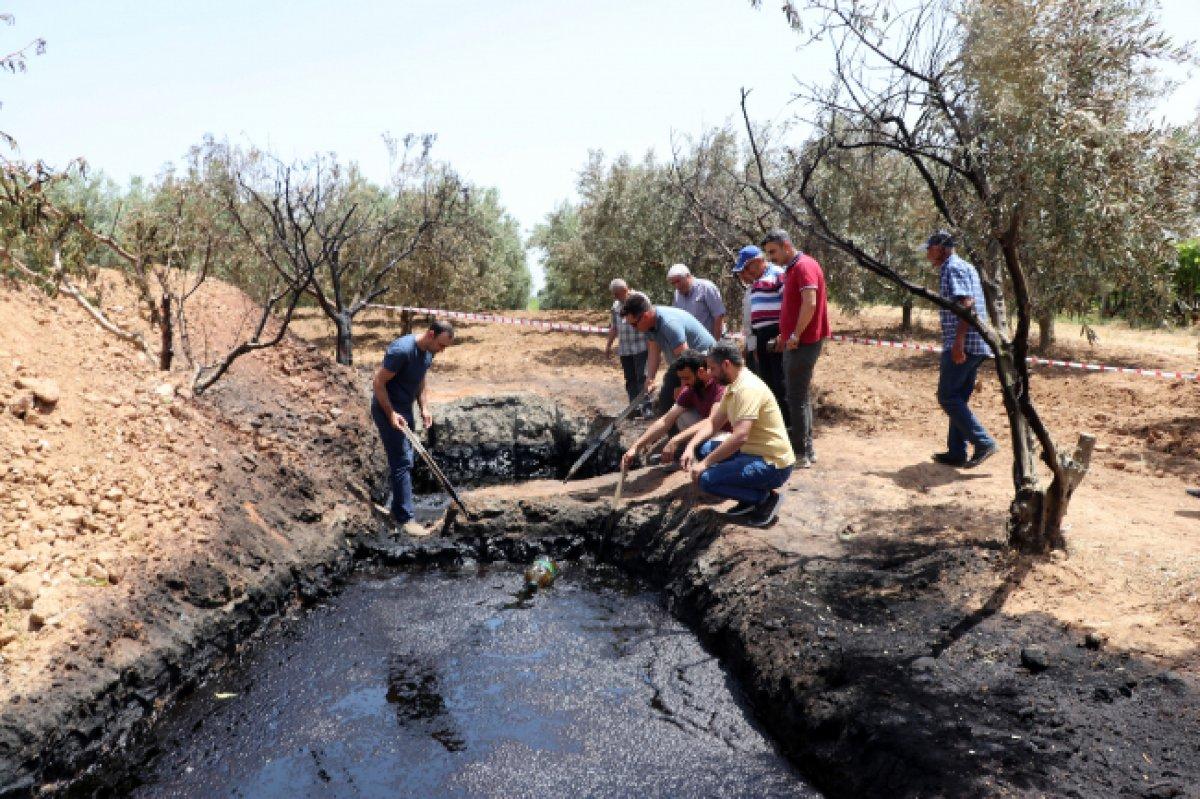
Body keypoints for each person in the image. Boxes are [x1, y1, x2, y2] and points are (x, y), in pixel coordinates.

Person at [680, 341, 795, 528]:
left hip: (772, 464)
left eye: (713, 368)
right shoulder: (733, 385)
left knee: (706, 479)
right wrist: (690, 447)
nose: (710, 374)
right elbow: (713, 422)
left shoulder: (746, 389)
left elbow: (740, 435)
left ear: (726, 364)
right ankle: (748, 497)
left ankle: (764, 498)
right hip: (751, 452)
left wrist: (705, 464)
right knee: (703, 448)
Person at [371, 320, 455, 536]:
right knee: (402, 460)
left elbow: (420, 380)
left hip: (406, 410)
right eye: (441, 345)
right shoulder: (402, 350)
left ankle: (398, 508)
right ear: (430, 334)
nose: (442, 351)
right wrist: (390, 414)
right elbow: (378, 383)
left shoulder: (429, 352)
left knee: (407, 460)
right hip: (387, 408)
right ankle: (406, 519)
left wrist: (424, 408)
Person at [925, 230, 999, 468]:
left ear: (941, 248)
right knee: (958, 398)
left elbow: (966, 304)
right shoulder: (962, 266)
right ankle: (956, 452)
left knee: (947, 396)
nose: (927, 254)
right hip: (975, 344)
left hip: (964, 345)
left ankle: (984, 442)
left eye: (930, 248)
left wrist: (958, 343)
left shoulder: (953, 268)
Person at [762, 229, 830, 469]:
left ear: (786, 246)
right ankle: (806, 449)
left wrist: (795, 334)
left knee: (795, 397)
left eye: (773, 252)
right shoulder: (793, 268)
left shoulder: (803, 267)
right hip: (796, 340)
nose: (770, 257)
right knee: (799, 396)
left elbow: (810, 303)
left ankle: (801, 453)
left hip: (803, 342)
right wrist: (787, 332)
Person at [621, 350, 730, 469]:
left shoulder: (720, 385)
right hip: (710, 431)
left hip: (729, 434)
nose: (683, 384)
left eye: (686, 378)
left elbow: (712, 421)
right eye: (681, 379)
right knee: (681, 416)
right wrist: (635, 447)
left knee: (708, 451)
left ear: (701, 372)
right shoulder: (691, 388)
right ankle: (691, 454)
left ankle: (700, 457)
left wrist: (675, 440)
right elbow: (665, 420)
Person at [621, 292, 717, 418]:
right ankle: (674, 434)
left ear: (644, 316)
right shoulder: (648, 325)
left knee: (688, 401)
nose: (634, 328)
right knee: (666, 402)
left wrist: (684, 387)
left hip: (704, 361)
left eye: (634, 324)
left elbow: (686, 360)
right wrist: (650, 377)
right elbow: (653, 351)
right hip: (681, 361)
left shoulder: (669, 324)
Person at [733, 245, 788, 423]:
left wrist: (784, 332)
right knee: (768, 383)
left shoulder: (777, 273)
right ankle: (775, 423)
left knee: (781, 383)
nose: (746, 272)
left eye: (747, 267)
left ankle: (789, 425)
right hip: (761, 336)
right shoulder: (757, 281)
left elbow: (788, 303)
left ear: (758, 261)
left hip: (776, 333)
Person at [604, 278, 650, 411]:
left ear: (625, 290)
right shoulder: (616, 306)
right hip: (625, 349)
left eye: (616, 294)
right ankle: (633, 409)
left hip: (641, 346)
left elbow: (650, 319)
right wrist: (608, 346)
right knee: (630, 379)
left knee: (643, 377)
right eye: (613, 294)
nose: (615, 297)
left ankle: (646, 407)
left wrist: (652, 343)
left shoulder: (641, 299)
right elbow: (614, 327)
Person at [668, 263, 726, 339]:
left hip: (709, 340)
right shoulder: (677, 294)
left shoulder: (706, 288)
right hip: (691, 344)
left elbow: (718, 316)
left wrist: (715, 344)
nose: (677, 286)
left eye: (678, 281)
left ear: (688, 276)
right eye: (673, 283)